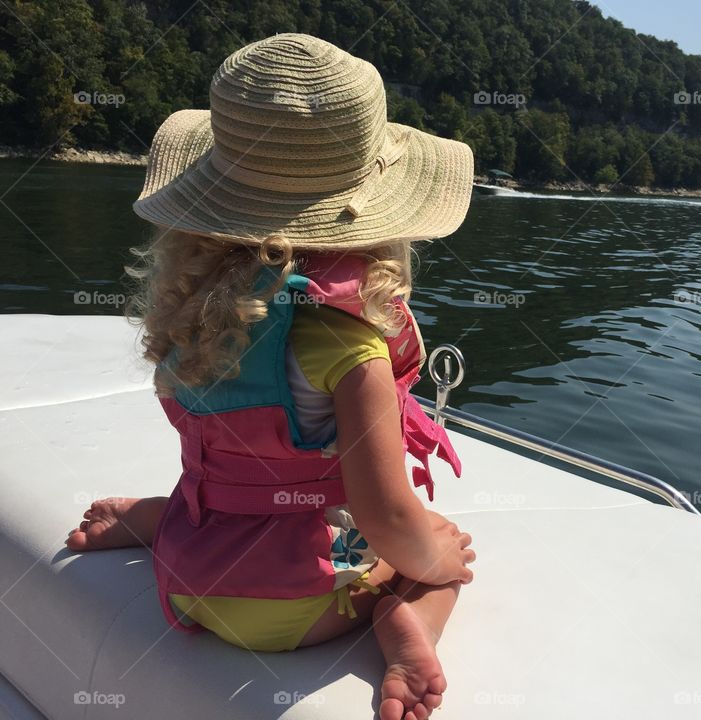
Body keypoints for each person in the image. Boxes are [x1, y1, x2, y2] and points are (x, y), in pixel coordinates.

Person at [65, 33, 476, 720]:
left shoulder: (200, 313)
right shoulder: (350, 344)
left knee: (237, 488)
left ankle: (157, 520)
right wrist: (432, 562)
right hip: (298, 606)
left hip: (190, 575)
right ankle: (408, 626)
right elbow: (384, 515)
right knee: (439, 538)